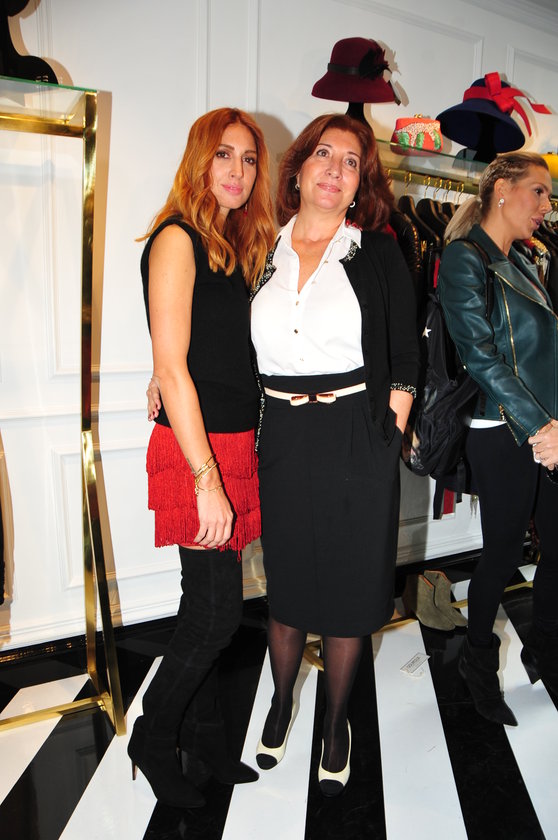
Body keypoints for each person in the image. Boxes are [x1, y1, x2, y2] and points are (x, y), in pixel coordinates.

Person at [249, 113, 419, 796]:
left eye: (352, 162)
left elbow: (405, 356)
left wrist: (386, 438)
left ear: (360, 183)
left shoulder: (376, 252)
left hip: (356, 431)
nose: (335, 169)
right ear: (298, 169)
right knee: (288, 585)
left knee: (350, 590)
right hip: (283, 437)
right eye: (324, 153)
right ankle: (282, 700)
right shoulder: (260, 247)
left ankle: (337, 720)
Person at [129, 107, 275, 808]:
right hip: (200, 452)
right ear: (198, 160)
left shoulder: (230, 245)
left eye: (249, 158)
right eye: (224, 155)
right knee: (215, 615)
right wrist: (205, 480)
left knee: (211, 605)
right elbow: (174, 366)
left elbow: (201, 350)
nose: (238, 171)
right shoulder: (176, 239)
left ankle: (209, 738)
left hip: (232, 443)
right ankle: (154, 736)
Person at [438, 151, 558, 726]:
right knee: (504, 552)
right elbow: (479, 356)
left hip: (548, 427)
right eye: (539, 191)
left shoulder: (526, 261)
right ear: (502, 190)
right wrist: (540, 426)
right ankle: (478, 663)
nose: (546, 206)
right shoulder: (465, 257)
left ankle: (546, 648)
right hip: (503, 427)